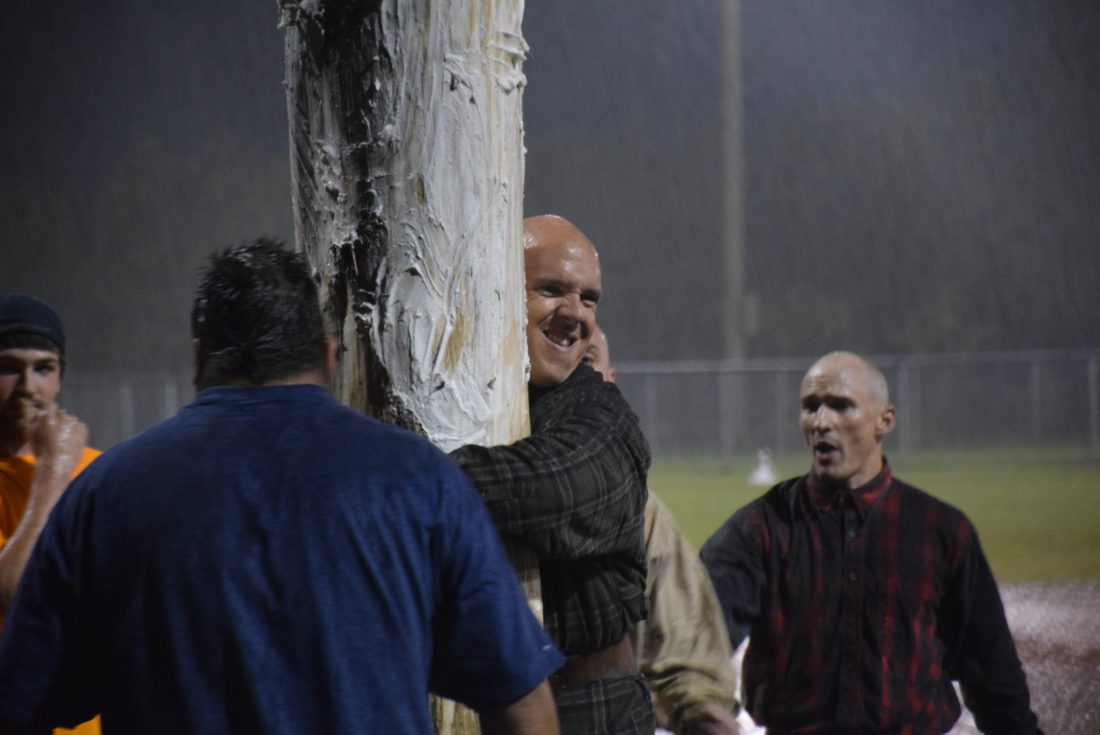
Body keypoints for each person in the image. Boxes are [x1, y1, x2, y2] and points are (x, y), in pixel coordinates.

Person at [0, 240, 562, 735]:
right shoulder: (421, 482)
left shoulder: (105, 493)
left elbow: (21, 705)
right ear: (329, 356)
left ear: (199, 360)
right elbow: (522, 702)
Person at [700, 351, 1044, 734]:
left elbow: (992, 670)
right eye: (811, 407)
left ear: (885, 420)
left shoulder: (942, 532)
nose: (821, 422)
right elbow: (693, 638)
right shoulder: (758, 529)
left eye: (840, 406)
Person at [450, 215, 654, 733]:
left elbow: (554, 490)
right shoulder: (460, 394)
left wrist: (406, 474)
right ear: (497, 292)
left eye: (589, 299)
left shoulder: (602, 415)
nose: (575, 313)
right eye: (552, 290)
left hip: (588, 713)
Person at [584, 327, 741, 735]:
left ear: (610, 382)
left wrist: (701, 712)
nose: (574, 375)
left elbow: (688, 668)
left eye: (587, 361)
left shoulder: (642, 512)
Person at [0, 294, 101, 735]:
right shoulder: (63, 471)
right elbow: (13, 592)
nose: (27, 386)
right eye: (8, 367)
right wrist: (52, 473)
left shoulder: (97, 470)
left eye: (43, 368)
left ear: (60, 377)